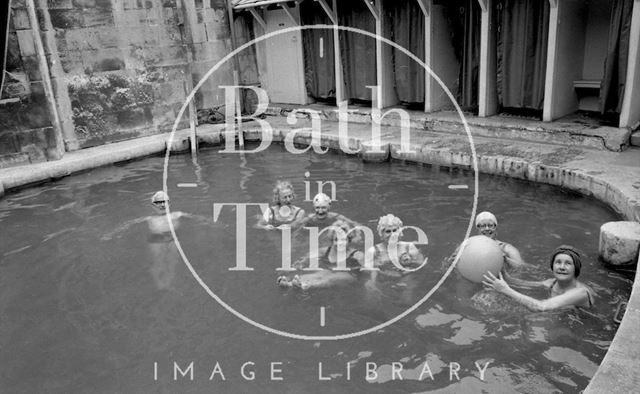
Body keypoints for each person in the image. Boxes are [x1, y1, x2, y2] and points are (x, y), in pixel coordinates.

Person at [101, 191, 208, 290]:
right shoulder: (150, 218)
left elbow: (197, 217)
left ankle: (169, 283)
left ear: (169, 204)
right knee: (158, 261)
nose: (162, 205)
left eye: (164, 202)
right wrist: (112, 233)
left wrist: (211, 222)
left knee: (172, 261)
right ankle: (159, 284)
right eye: (158, 203)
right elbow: (128, 224)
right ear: (153, 206)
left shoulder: (177, 214)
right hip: (156, 240)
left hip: (172, 239)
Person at [482, 245, 595, 311]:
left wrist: (505, 290)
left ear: (576, 269)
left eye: (568, 263)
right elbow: (518, 283)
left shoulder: (580, 293)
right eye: (558, 262)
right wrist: (503, 266)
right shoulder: (552, 283)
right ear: (552, 266)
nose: (562, 267)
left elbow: (541, 307)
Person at [277, 220, 363, 290]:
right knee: (321, 273)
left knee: (331, 277)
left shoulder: (357, 254)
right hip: (330, 273)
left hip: (351, 276)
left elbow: (369, 269)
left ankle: (304, 285)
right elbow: (307, 257)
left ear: (349, 240)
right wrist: (300, 263)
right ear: (332, 240)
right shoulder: (325, 251)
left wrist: (370, 285)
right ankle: (291, 283)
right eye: (337, 240)